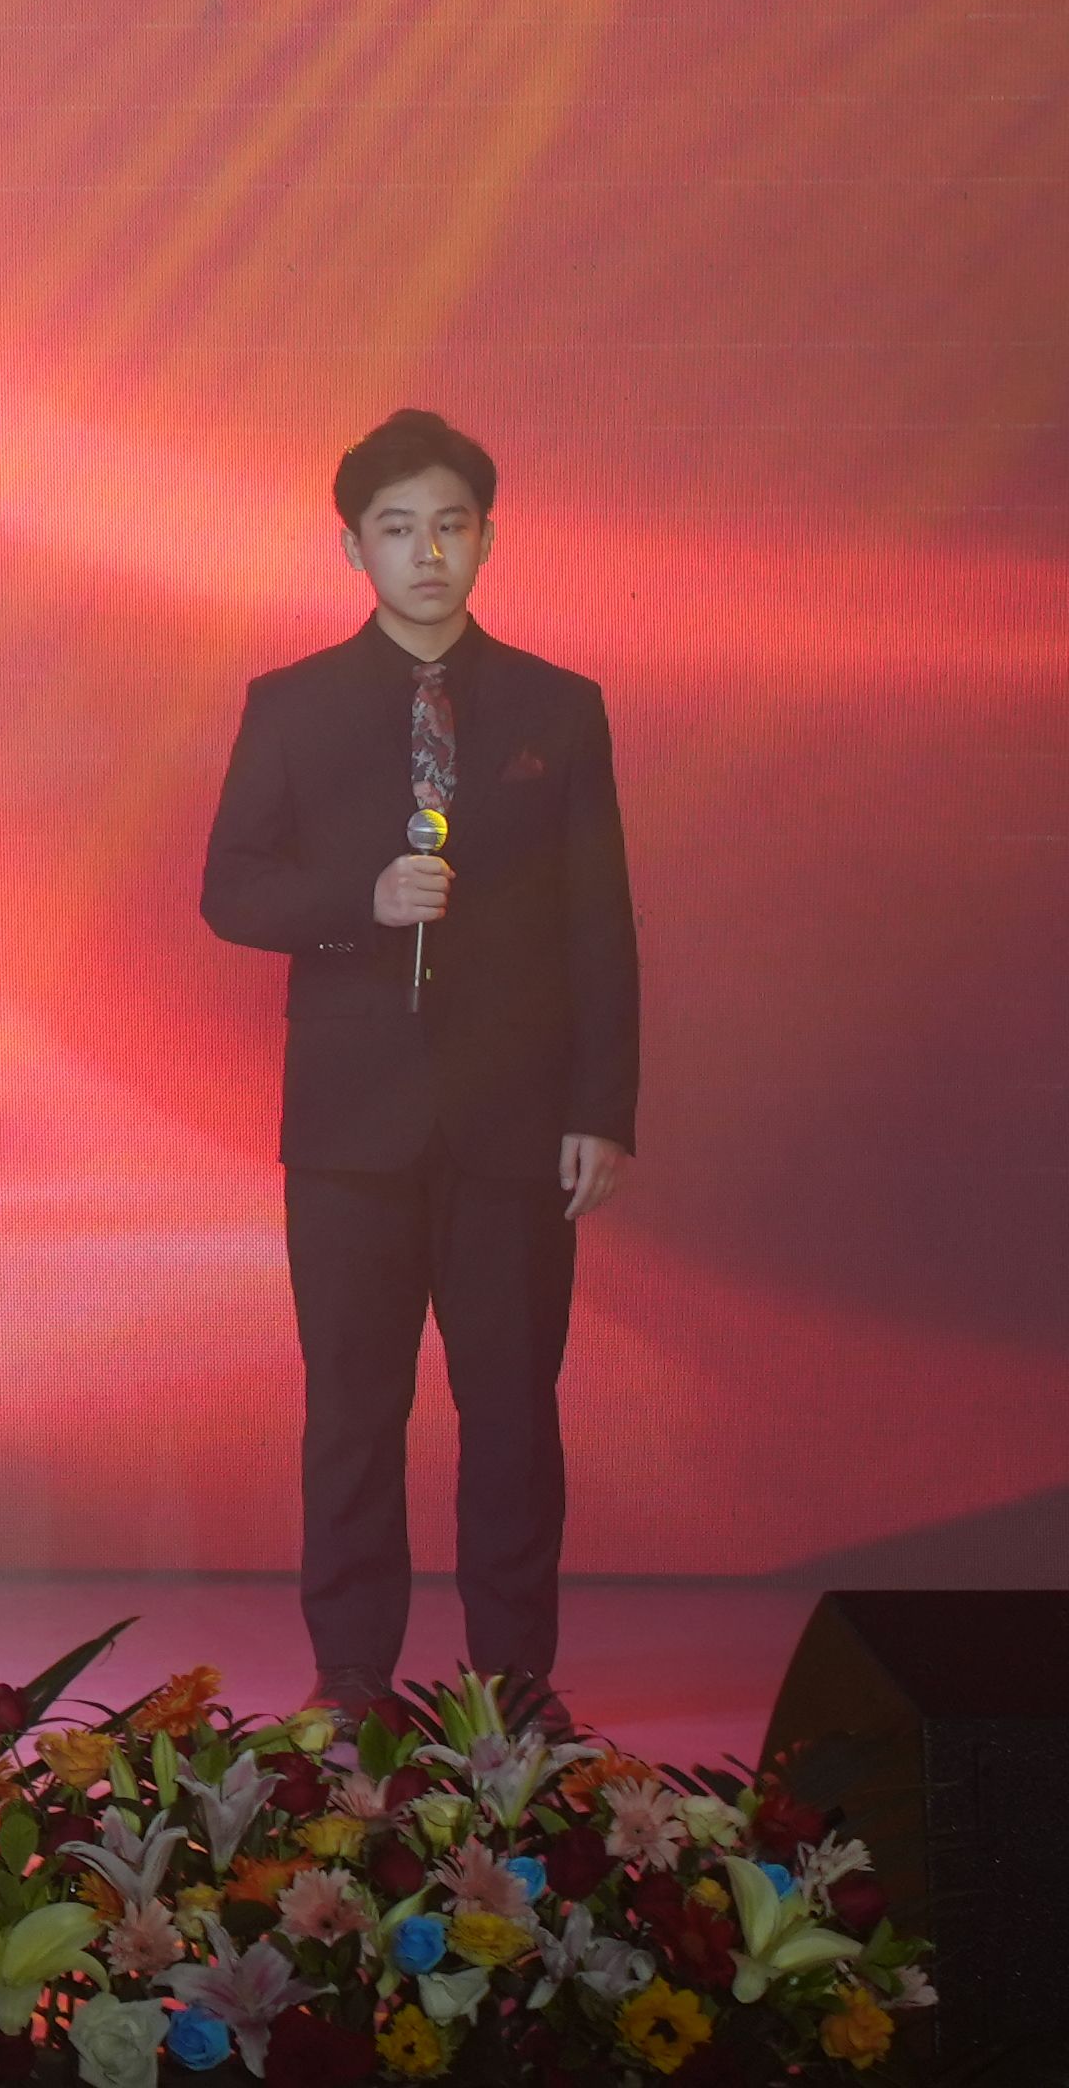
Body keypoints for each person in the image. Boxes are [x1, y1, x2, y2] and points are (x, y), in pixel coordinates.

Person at [199, 406, 638, 1715]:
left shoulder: (559, 707)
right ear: (354, 548)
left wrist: (601, 1110)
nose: (427, 553)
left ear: (489, 538)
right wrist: (362, 901)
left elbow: (600, 921)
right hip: (350, 1126)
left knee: (512, 1409)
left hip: (517, 1120)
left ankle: (513, 1679)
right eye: (398, 529)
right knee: (351, 1408)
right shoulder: (291, 705)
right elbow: (231, 890)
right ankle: (350, 1675)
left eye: (451, 526)